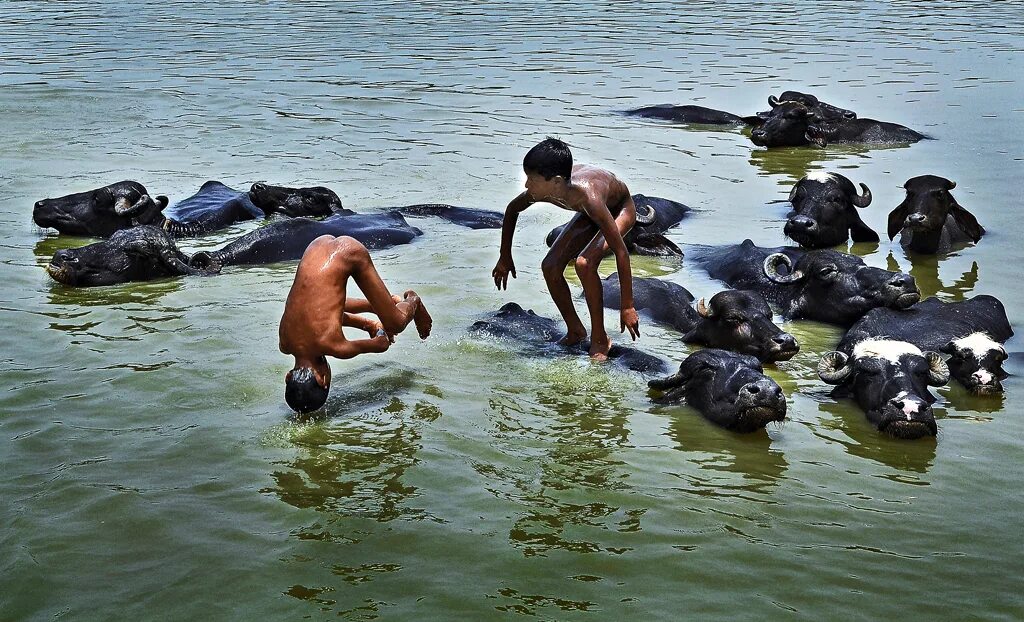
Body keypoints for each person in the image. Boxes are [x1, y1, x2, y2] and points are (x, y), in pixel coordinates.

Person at [492, 137, 640, 360]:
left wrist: (627, 306)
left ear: (557, 182)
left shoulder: (589, 198)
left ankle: (600, 339)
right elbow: (512, 209)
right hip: (588, 212)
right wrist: (505, 256)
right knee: (550, 266)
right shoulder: (547, 190)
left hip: (619, 209)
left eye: (532, 179)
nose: (526, 185)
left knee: (584, 263)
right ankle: (576, 331)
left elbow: (621, 251)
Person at [279, 235, 431, 413]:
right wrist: (368, 324)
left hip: (350, 253)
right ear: (288, 376)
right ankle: (383, 304)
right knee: (324, 304)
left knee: (395, 324)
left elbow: (381, 344)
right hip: (315, 245)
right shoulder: (285, 343)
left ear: (323, 380)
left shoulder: (337, 347)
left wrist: (381, 332)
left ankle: (413, 300)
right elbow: (325, 314)